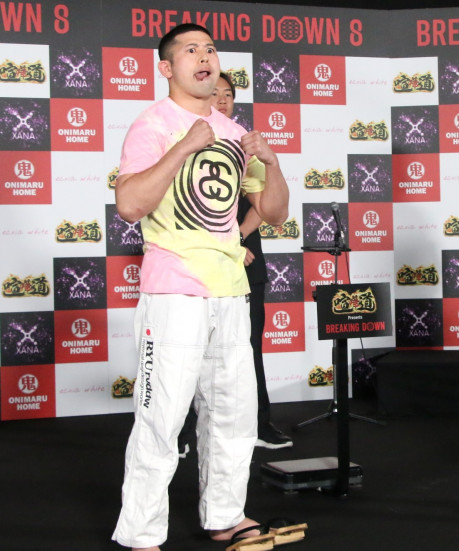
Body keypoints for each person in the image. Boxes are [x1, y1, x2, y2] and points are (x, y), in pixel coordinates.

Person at [111, 24, 292, 551]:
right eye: (191, 50)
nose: (204, 56)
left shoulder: (235, 132)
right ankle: (142, 533)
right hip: (173, 293)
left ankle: (225, 516)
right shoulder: (152, 124)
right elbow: (130, 205)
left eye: (210, 49)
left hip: (231, 291)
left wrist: (272, 164)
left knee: (234, 415)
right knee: (161, 418)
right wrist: (186, 146)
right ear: (167, 68)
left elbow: (274, 213)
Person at [177, 72, 292, 456]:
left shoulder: (245, 143)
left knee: (248, 348)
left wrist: (238, 239)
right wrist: (227, 245)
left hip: (246, 261)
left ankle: (259, 423)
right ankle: (182, 431)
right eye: (216, 93)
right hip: (194, 266)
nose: (222, 100)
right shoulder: (185, 140)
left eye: (228, 94)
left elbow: (267, 204)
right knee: (190, 350)